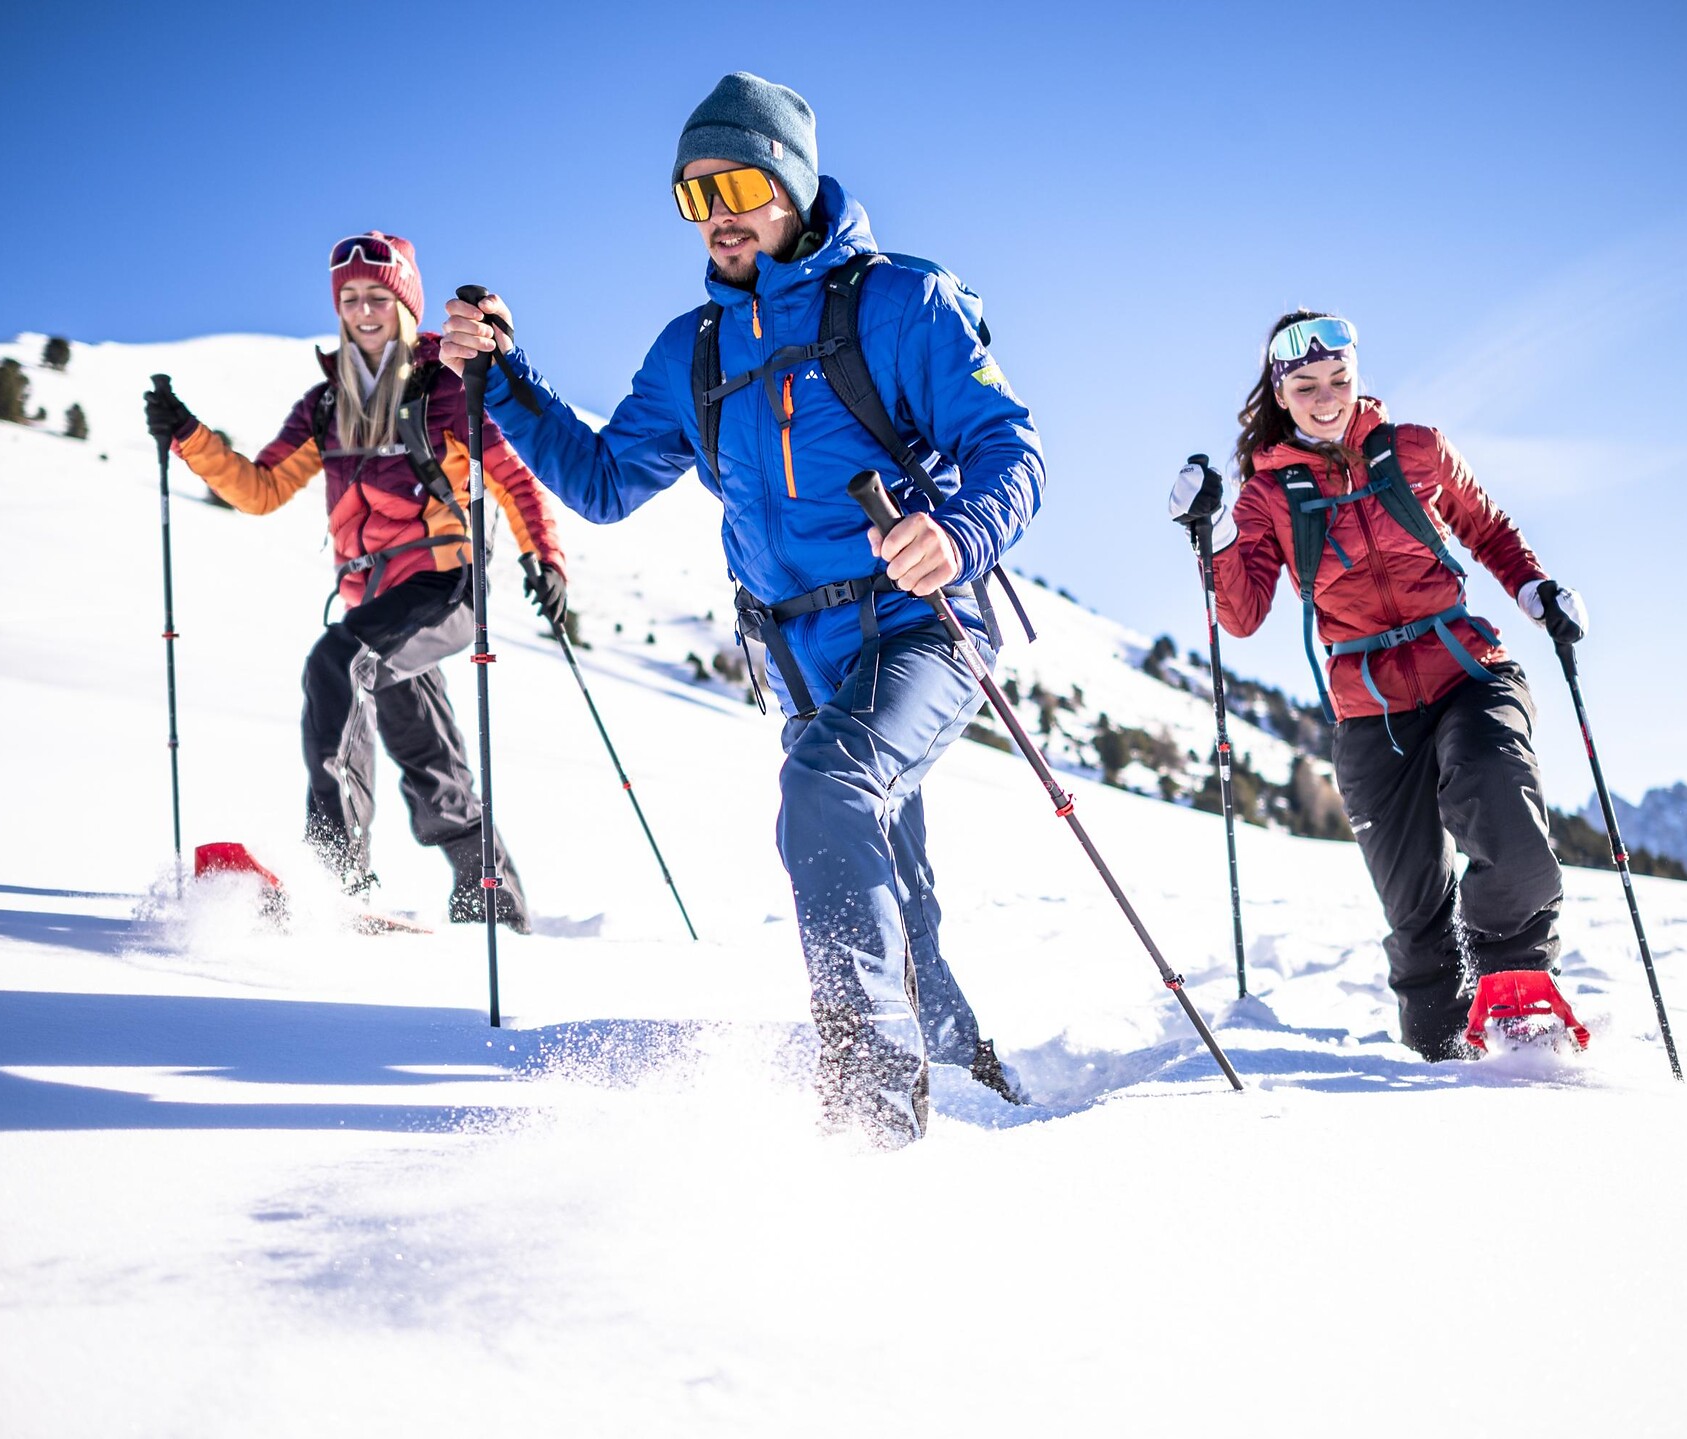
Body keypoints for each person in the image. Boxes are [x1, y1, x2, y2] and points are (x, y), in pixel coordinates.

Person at [441, 73, 1044, 1145]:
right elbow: (604, 482)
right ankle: (959, 1061)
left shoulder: (902, 303)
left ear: (794, 184)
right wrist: (502, 379)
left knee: (830, 786)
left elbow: (1011, 449)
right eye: (692, 193)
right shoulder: (696, 352)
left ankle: (869, 1102)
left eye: (740, 182)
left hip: (920, 625)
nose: (717, 210)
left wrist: (955, 531)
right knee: (880, 849)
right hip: (800, 655)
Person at [1170, 312, 1590, 1060]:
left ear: (1356, 377)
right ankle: (1438, 1062)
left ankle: (1518, 980)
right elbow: (1241, 614)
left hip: (1467, 671)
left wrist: (1538, 591)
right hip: (1371, 712)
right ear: (1281, 391)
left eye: (1338, 379)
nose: (1326, 397)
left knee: (1501, 798)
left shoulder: (1416, 450)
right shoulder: (1266, 496)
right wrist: (1218, 536)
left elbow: (1487, 529)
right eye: (1305, 385)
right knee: (1416, 918)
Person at [144, 231, 569, 931]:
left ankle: (337, 869)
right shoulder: (324, 407)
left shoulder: (444, 391)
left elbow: (515, 480)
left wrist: (545, 559)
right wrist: (190, 436)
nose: (364, 310)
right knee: (435, 766)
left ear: (403, 303)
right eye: (350, 299)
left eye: (378, 295)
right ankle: (496, 908)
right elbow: (259, 488)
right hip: (377, 602)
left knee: (338, 662)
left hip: (444, 585)